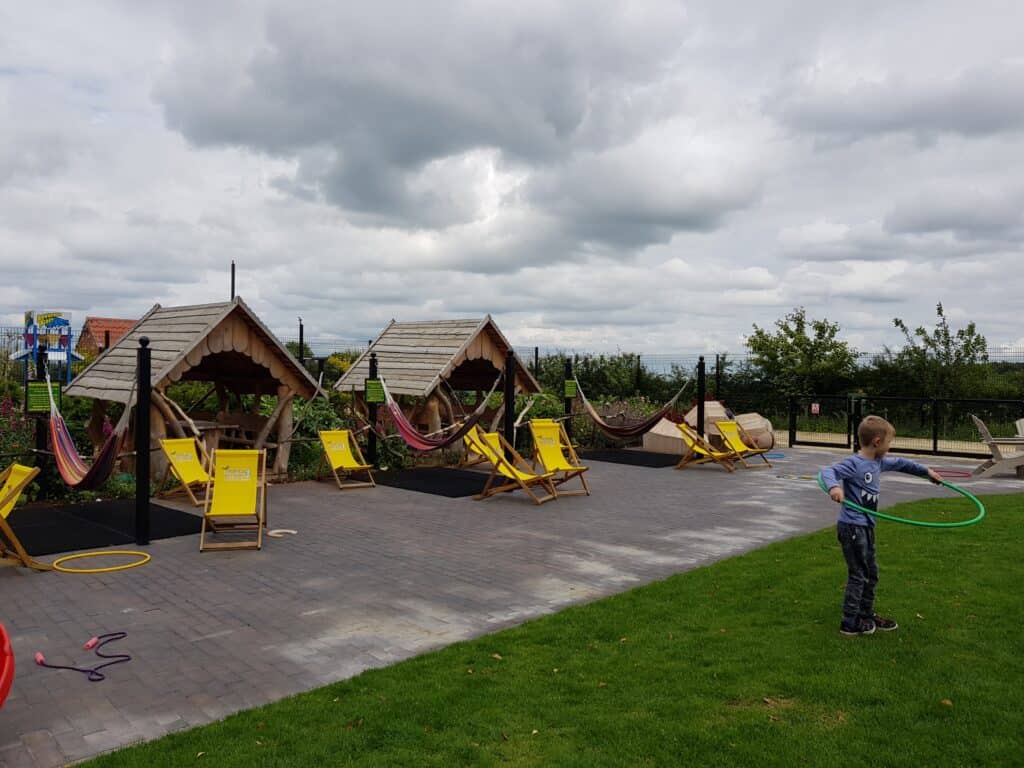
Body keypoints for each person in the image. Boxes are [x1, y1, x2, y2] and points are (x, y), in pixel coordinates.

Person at [820, 415, 942, 637]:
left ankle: (865, 615)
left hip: (866, 526)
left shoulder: (878, 462)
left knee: (871, 573)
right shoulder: (855, 463)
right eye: (889, 442)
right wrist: (834, 489)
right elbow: (828, 472)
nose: (890, 447)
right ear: (877, 442)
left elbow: (904, 463)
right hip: (852, 527)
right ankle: (849, 623)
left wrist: (928, 473)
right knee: (859, 574)